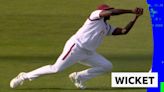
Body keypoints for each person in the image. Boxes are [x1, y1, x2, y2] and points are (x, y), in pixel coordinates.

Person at [10, 4, 143, 89]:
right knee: (56, 69)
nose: (110, 13)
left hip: (89, 53)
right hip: (75, 48)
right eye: (108, 11)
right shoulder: (94, 16)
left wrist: (135, 18)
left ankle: (78, 77)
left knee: (107, 66)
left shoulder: (106, 26)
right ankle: (24, 76)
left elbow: (123, 32)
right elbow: (113, 12)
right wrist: (130, 10)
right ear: (103, 11)